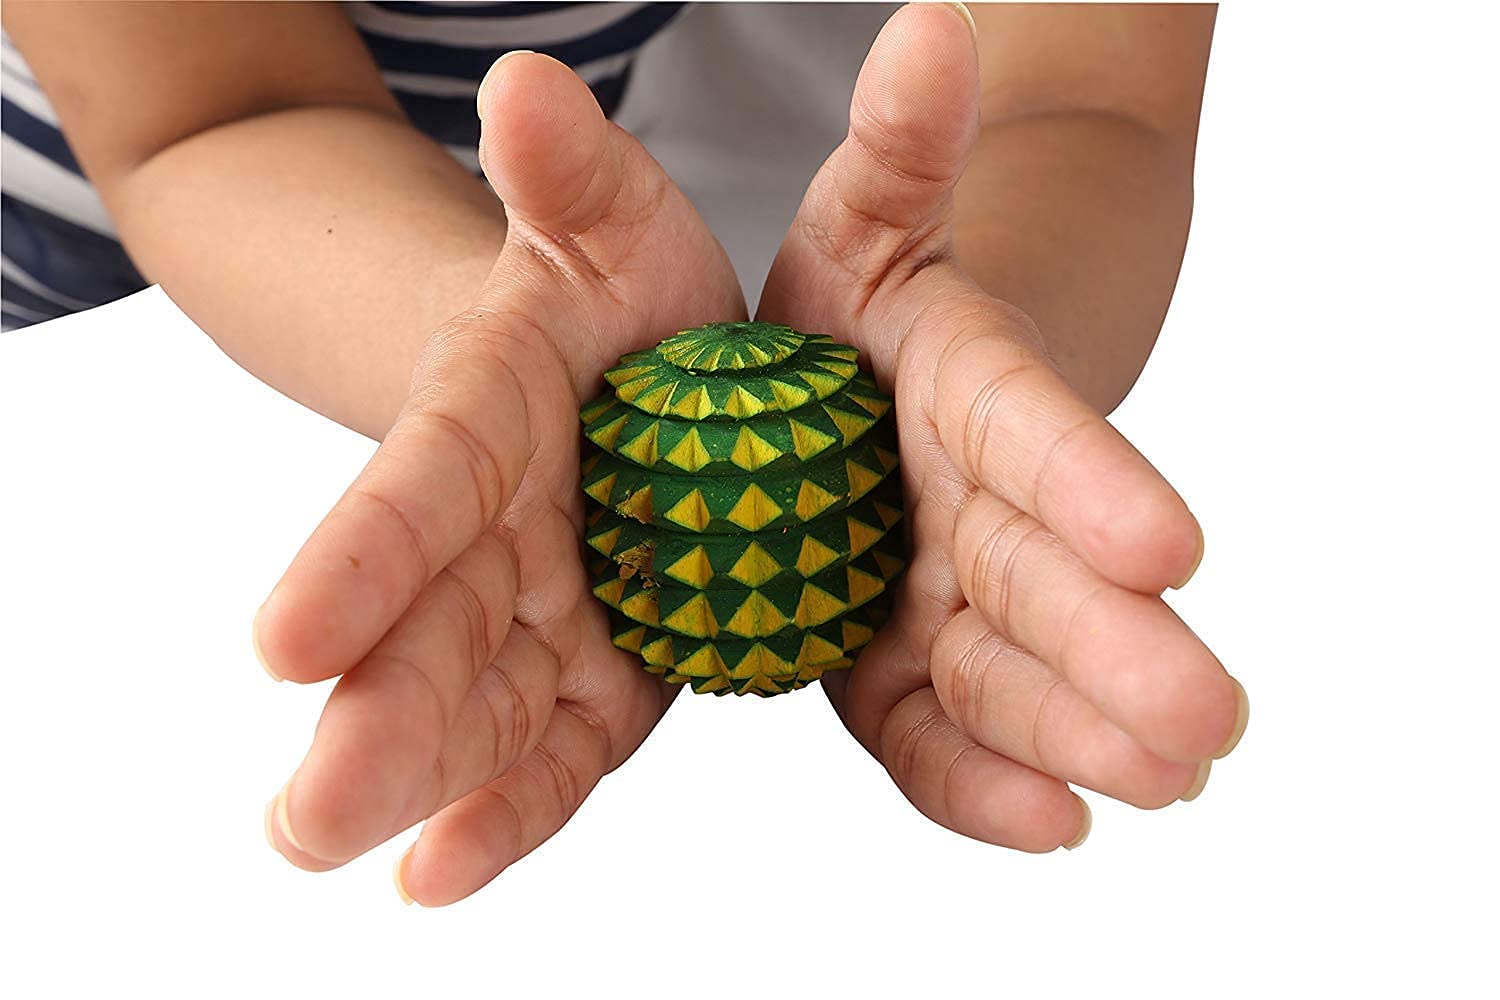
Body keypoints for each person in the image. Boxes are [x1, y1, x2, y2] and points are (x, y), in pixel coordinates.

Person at [1, 1, 1248, 907]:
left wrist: (973, 320)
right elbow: (212, 112)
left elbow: (1092, 90)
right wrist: (482, 324)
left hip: (438, 169)